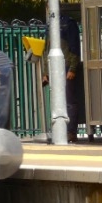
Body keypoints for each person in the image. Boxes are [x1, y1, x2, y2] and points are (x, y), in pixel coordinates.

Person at [44, 9, 85, 142]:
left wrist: (72, 68)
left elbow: (74, 47)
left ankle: (71, 132)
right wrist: (46, 72)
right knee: (59, 100)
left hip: (66, 66)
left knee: (69, 100)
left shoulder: (68, 23)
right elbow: (46, 49)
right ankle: (61, 130)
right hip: (55, 67)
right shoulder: (50, 24)